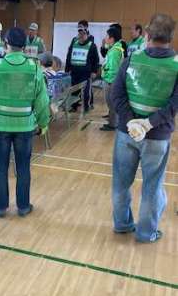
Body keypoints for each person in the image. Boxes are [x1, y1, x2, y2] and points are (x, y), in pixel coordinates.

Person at [111, 13, 177, 243]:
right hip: (157, 137)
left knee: (121, 183)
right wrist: (149, 123)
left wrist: (131, 121)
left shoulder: (131, 60)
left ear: (147, 34)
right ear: (171, 37)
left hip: (126, 134)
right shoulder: (176, 66)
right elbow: (174, 104)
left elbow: (116, 95)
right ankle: (146, 233)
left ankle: (122, 224)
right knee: (152, 187)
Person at [0, 27, 50, 217]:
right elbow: (42, 101)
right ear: (25, 46)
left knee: (0, 167)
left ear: (5, 44)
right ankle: (23, 206)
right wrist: (43, 123)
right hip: (25, 127)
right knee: (23, 167)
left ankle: (0, 207)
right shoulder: (35, 67)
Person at [65, 25, 99, 112]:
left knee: (86, 92)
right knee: (74, 91)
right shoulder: (74, 44)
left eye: (83, 33)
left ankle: (87, 106)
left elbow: (96, 60)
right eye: (79, 33)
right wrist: (67, 69)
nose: (81, 35)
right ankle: (73, 106)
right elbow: (68, 57)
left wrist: (94, 71)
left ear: (86, 34)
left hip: (85, 73)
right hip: (74, 72)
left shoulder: (92, 45)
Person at [100, 26, 124, 131]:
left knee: (111, 103)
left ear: (112, 38)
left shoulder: (114, 51)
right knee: (111, 103)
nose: (105, 38)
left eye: (107, 36)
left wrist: (109, 81)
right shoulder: (114, 48)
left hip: (111, 81)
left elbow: (113, 69)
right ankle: (113, 121)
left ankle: (113, 124)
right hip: (111, 80)